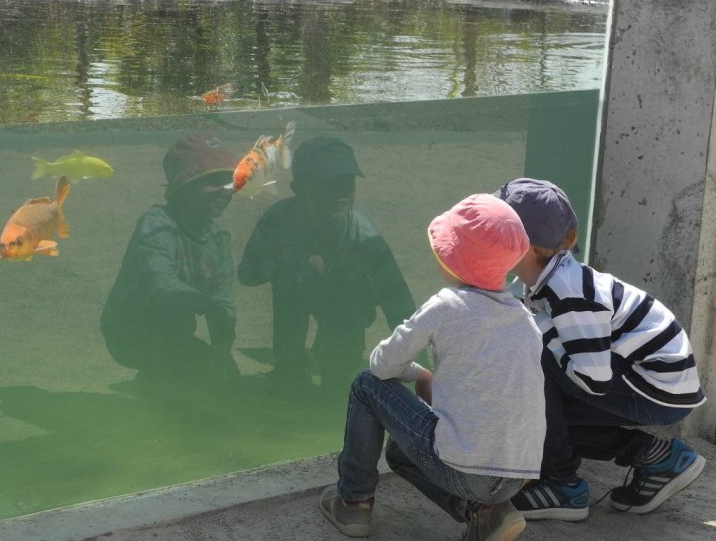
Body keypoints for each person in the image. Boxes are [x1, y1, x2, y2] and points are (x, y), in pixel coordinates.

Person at [319, 193, 545, 541]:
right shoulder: (524, 318)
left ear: (454, 256)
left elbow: (381, 365)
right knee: (399, 451)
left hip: (466, 472)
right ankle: (482, 513)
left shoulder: (447, 306)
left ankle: (353, 502)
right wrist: (430, 378)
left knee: (365, 386)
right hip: (516, 477)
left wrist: (418, 375)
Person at [493, 178, 707, 521]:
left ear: (524, 245)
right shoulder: (544, 280)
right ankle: (656, 457)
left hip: (656, 386)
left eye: (495, 230)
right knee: (544, 413)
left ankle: (563, 486)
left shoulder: (567, 291)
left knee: (533, 361)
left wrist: (543, 336)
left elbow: (593, 380)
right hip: (643, 376)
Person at [237, 136, 417, 391]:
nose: (339, 195)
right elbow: (247, 274)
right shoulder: (280, 222)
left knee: (339, 379)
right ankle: (290, 367)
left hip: (345, 308)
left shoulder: (364, 236)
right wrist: (296, 258)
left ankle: (335, 361)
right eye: (327, 186)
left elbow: (399, 303)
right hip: (297, 296)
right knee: (293, 279)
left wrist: (420, 370)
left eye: (346, 185)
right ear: (298, 188)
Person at [100, 134, 239, 386]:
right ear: (183, 186)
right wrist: (205, 303)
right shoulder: (156, 225)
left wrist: (221, 348)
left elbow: (224, 298)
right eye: (213, 182)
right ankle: (156, 380)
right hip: (131, 333)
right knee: (188, 388)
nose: (226, 191)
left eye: (230, 182)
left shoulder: (218, 238)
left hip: (176, 335)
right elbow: (162, 283)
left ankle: (159, 379)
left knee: (226, 380)